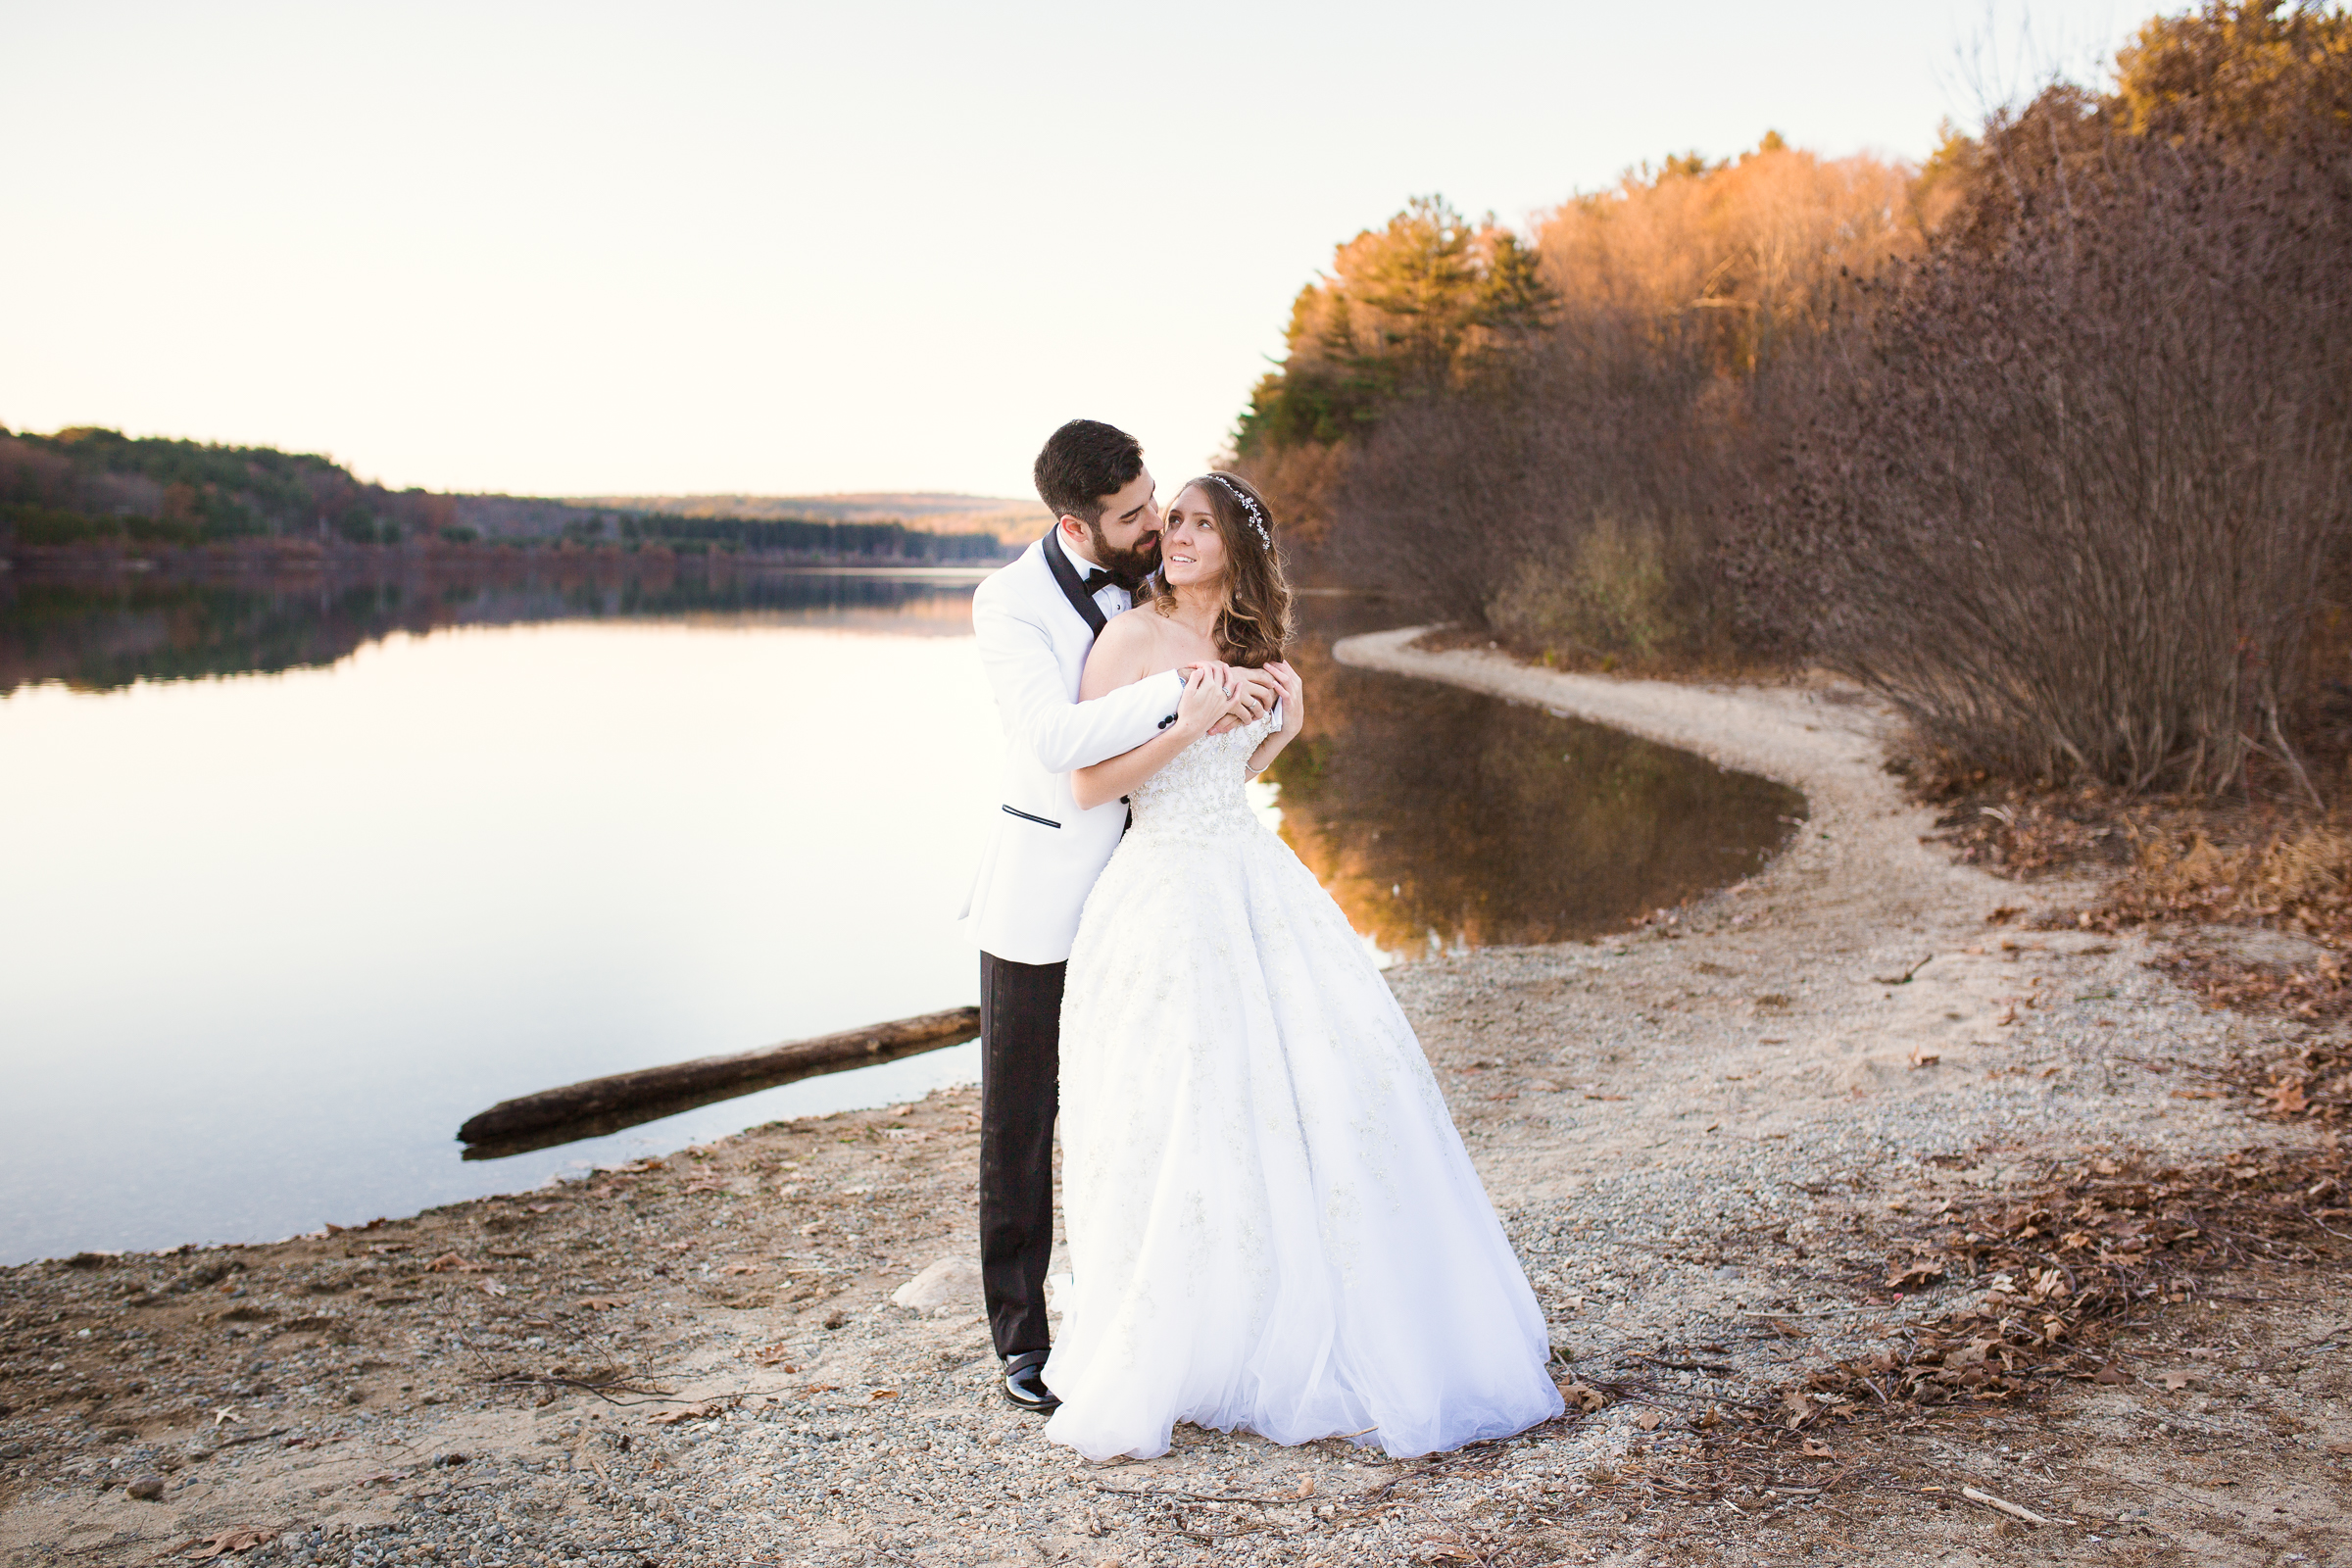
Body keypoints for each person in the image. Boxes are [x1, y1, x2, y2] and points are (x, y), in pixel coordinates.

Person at [1040, 471, 1565, 1461]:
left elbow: (1230, 777)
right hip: (1161, 894)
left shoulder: (1248, 647)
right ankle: (1181, 1338)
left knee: (1313, 1087)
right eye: (1173, 523)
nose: (1178, 536)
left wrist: (1281, 730)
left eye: (1198, 523)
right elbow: (1087, 784)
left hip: (1248, 875)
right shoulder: (1129, 639)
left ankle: (1302, 1320)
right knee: (1184, 1102)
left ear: (1238, 547)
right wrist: (1187, 721)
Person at [962, 419, 1282, 1412]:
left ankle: (1161, 1314)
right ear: (1076, 521)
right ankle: (1023, 1340)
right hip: (1046, 893)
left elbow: (1212, 639)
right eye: (1135, 513)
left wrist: (1258, 704)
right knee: (1021, 1116)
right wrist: (1183, 701)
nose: (1154, 524)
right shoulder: (1008, 603)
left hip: (1159, 886)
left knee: (1150, 1104)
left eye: (1156, 502)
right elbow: (1058, 736)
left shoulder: (1159, 583)